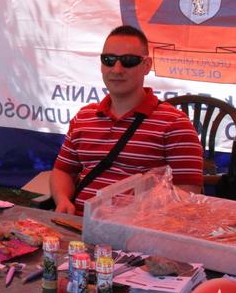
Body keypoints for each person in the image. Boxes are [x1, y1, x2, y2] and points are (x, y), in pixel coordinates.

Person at [51, 25, 203, 215]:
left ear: (146, 65)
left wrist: (132, 217)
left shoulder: (175, 124)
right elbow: (64, 170)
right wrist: (63, 200)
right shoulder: (84, 117)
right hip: (75, 224)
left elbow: (188, 194)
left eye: (128, 61)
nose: (116, 69)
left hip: (137, 229)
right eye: (109, 60)